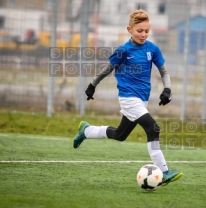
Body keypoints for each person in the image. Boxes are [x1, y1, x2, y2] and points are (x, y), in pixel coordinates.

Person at [73, 9, 183, 186]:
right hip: (128, 98)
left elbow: (163, 71)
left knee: (120, 134)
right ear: (129, 29)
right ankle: (164, 172)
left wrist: (167, 89)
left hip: (142, 100)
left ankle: (86, 130)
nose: (143, 34)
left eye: (147, 31)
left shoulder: (152, 49)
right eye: (139, 31)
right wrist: (92, 85)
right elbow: (107, 69)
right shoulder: (123, 50)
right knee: (153, 128)